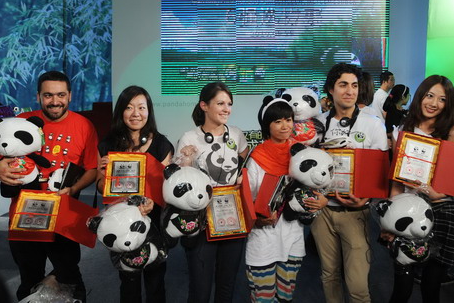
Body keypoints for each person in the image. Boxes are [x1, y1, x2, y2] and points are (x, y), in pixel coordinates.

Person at [0, 71, 98, 302]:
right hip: (24, 214)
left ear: (70, 95)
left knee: (69, 276)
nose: (55, 101)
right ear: (38, 96)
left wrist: (73, 190)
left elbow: (92, 169)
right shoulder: (22, 121)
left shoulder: (84, 125)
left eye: (60, 95)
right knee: (28, 278)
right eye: (48, 95)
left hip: (63, 213)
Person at [383, 75, 454, 303]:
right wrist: (391, 218)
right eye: (430, 95)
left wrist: (428, 190)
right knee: (402, 287)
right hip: (407, 214)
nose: (434, 103)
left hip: (440, 214)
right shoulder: (402, 129)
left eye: (442, 99)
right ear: (420, 96)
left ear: (448, 104)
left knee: (431, 289)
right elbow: (395, 183)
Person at [312, 63, 388, 303]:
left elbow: (380, 171)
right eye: (343, 85)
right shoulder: (316, 125)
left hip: (356, 212)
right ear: (330, 90)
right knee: (329, 276)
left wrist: (366, 198)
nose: (349, 91)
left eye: (354, 85)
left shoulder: (373, 124)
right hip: (322, 211)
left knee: (357, 284)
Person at [173, 81, 249, 303]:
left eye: (229, 104)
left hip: (232, 219)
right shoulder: (189, 138)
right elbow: (182, 183)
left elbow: (244, 159)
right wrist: (186, 159)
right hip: (202, 220)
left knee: (227, 286)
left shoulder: (236, 134)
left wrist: (241, 178)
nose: (227, 109)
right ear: (204, 106)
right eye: (221, 103)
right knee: (200, 288)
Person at [97, 86, 173, 303]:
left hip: (154, 222)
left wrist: (150, 202)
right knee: (128, 280)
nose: (135, 113)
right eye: (129, 107)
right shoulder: (107, 144)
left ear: (149, 111)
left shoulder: (161, 144)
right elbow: (101, 188)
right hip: (121, 223)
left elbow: (165, 189)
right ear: (121, 111)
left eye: (141, 107)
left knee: (155, 280)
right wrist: (105, 172)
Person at [245, 97, 325, 302]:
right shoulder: (257, 156)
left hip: (292, 236)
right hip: (263, 238)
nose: (284, 126)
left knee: (285, 296)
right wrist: (257, 218)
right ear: (267, 125)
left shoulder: (302, 154)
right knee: (263, 297)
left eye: (288, 120)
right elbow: (248, 196)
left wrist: (322, 200)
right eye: (277, 121)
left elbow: (317, 183)